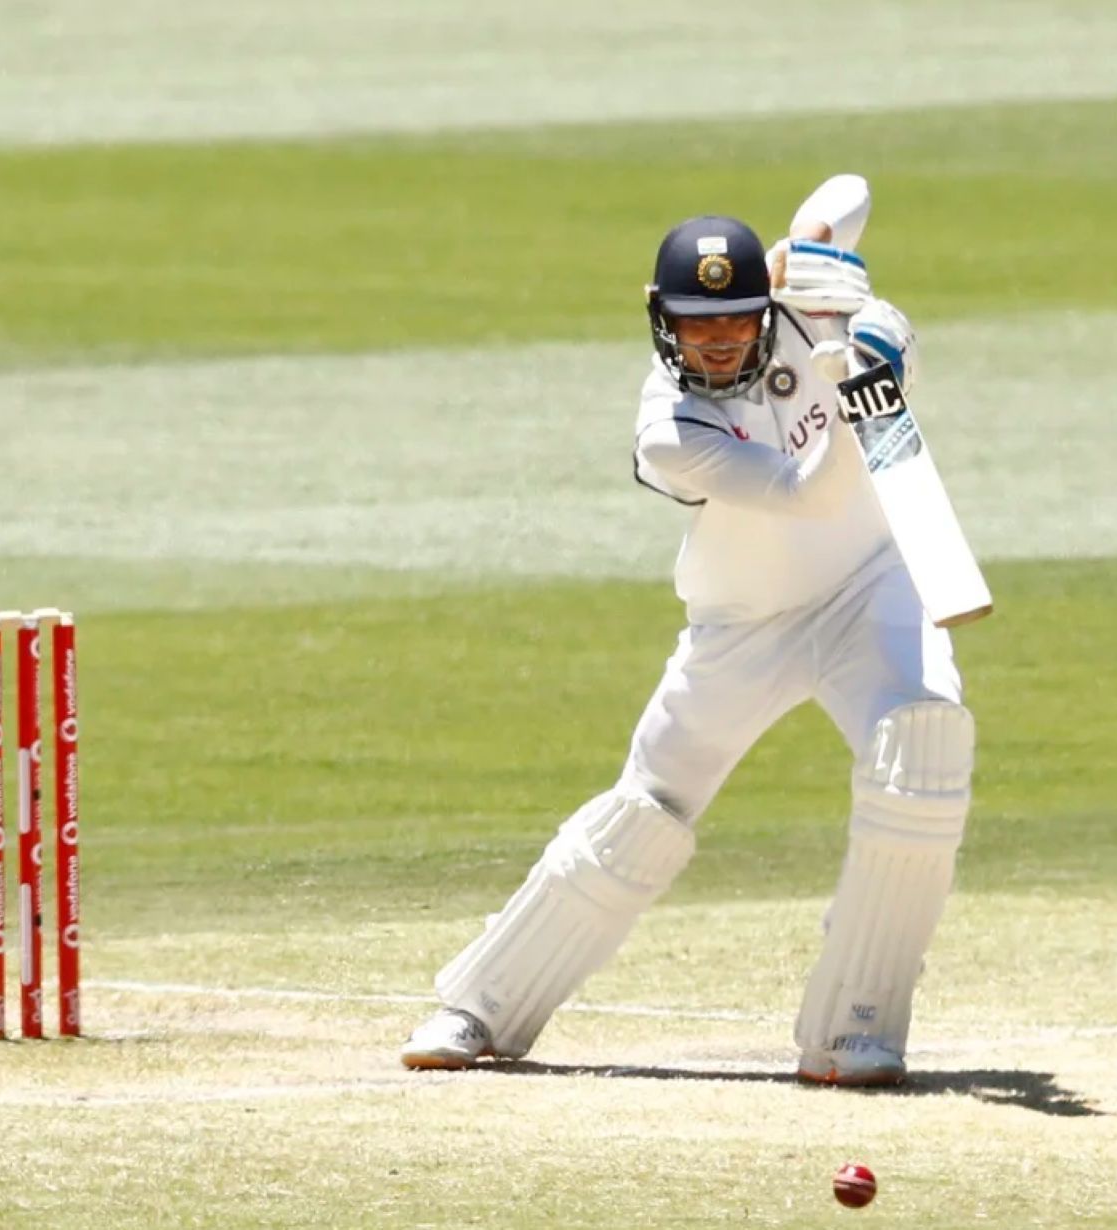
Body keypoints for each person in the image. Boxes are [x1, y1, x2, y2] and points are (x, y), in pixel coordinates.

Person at [399, 175, 974, 1087]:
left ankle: (858, 1025)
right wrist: (856, 377)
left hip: (875, 586)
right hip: (744, 625)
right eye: (696, 325)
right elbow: (807, 494)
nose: (717, 342)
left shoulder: (795, 308)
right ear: (659, 318)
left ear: (760, 308)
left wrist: (859, 313)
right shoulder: (668, 427)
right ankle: (484, 1006)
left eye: (737, 321)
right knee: (647, 811)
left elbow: (847, 195)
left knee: (924, 748)